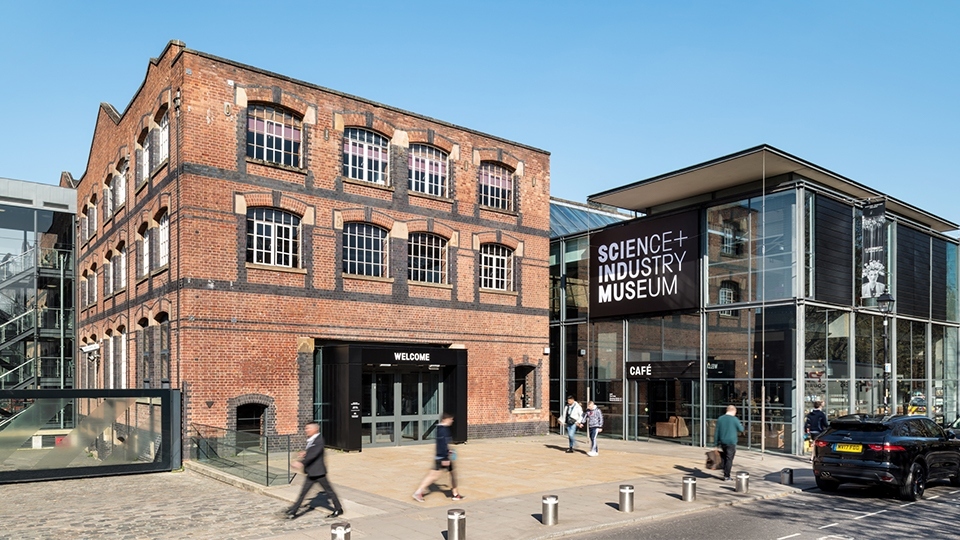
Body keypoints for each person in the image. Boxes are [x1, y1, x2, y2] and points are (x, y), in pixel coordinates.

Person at [286, 421, 343, 519]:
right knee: (303, 492)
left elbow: (314, 454)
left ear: (315, 429)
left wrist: (301, 462)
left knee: (329, 491)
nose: (306, 430)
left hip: (318, 472)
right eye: (306, 428)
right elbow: (311, 452)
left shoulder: (319, 440)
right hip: (312, 471)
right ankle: (294, 510)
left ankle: (338, 509)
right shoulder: (312, 439)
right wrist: (304, 453)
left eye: (308, 428)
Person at [413, 412, 462, 502]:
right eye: (450, 419)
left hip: (442, 456)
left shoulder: (440, 428)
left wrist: (448, 451)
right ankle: (418, 492)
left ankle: (456, 494)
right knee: (434, 476)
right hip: (443, 457)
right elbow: (442, 445)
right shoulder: (443, 430)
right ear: (445, 420)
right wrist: (445, 457)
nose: (452, 421)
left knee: (448, 474)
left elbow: (442, 444)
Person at [714, 405, 744, 481]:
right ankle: (726, 475)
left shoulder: (720, 419)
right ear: (733, 411)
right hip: (731, 441)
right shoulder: (734, 419)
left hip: (723, 441)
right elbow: (741, 429)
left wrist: (716, 444)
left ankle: (724, 468)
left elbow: (717, 432)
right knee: (729, 458)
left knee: (725, 456)